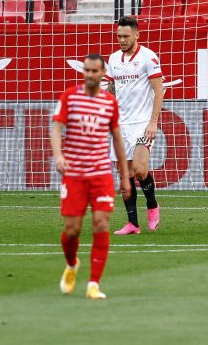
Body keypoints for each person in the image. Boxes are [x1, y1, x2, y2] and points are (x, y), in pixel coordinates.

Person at [51, 54, 131, 299]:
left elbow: (117, 138)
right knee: (72, 229)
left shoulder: (109, 103)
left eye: (95, 71)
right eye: (86, 70)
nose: (90, 75)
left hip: (100, 174)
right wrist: (58, 155)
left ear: (102, 73)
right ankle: (72, 263)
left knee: (100, 224)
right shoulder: (70, 97)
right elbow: (56, 127)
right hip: (74, 174)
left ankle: (94, 284)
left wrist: (125, 177)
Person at [105, 16, 163, 235]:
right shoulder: (113, 59)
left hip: (142, 123)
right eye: (119, 36)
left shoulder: (149, 57)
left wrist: (153, 122)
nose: (121, 40)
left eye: (126, 36)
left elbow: (159, 91)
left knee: (139, 169)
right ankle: (132, 224)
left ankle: (152, 205)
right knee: (125, 174)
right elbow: (112, 88)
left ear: (137, 35)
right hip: (121, 124)